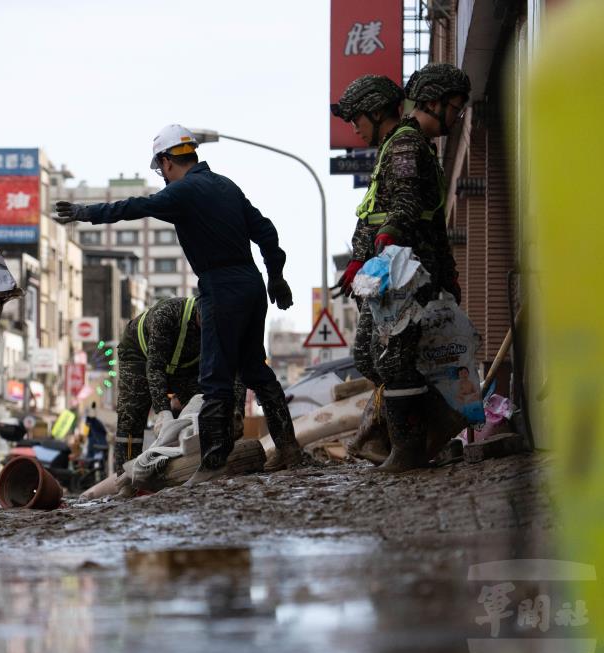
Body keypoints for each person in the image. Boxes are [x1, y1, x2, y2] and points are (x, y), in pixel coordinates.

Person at [55, 125, 303, 484]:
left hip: (220, 287)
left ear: (167, 162)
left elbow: (134, 206)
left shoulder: (183, 191)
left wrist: (84, 212)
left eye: (161, 168)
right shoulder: (227, 186)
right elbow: (266, 231)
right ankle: (289, 448)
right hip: (252, 285)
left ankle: (213, 465)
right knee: (255, 370)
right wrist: (276, 277)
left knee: (215, 377)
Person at [331, 64, 470, 472]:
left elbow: (405, 204)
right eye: (456, 108)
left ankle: (411, 449)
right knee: (371, 356)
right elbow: (377, 210)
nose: (355, 129)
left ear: (375, 112)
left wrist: (388, 242)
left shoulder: (407, 144)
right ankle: (419, 435)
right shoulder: (400, 144)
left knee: (393, 360)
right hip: (391, 269)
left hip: (406, 272)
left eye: (357, 119)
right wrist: (360, 259)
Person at [113, 296, 246, 476]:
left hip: (184, 367)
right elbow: (155, 367)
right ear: (199, 314)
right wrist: (163, 411)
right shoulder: (166, 315)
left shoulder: (223, 326)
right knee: (132, 414)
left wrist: (236, 411)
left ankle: (196, 465)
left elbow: (234, 370)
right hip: (139, 355)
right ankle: (125, 477)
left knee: (203, 409)